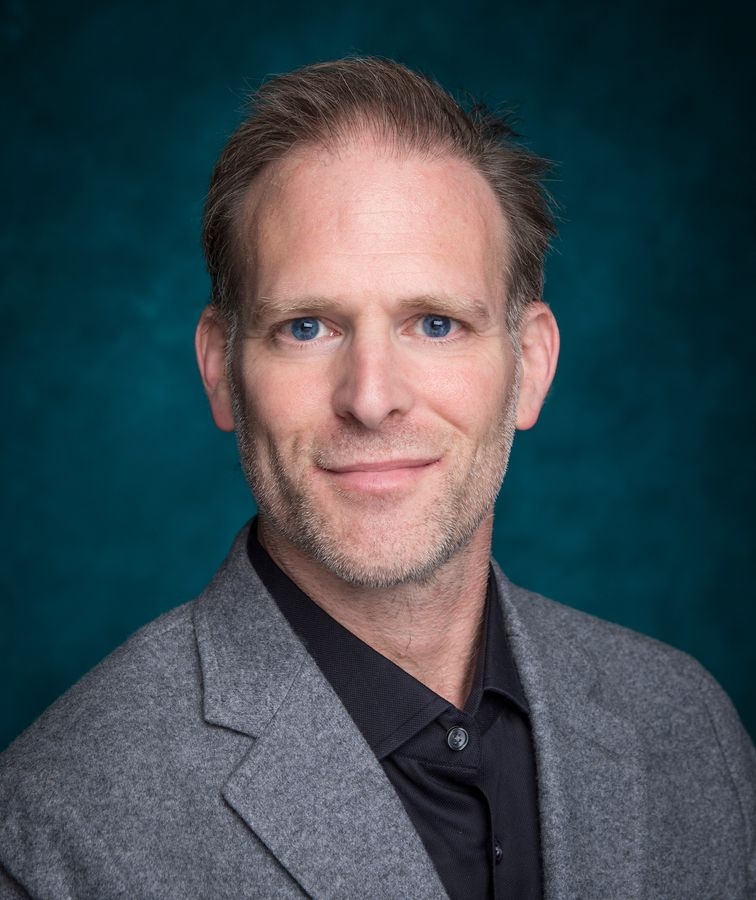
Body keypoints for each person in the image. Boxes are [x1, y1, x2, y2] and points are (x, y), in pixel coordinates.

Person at [0, 57, 753, 900]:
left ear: (531, 365)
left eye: (435, 324)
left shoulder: (688, 726)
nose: (371, 398)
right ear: (220, 369)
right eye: (308, 326)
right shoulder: (54, 823)